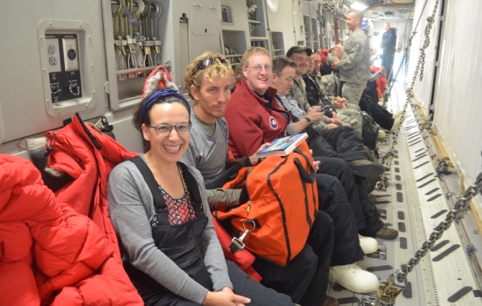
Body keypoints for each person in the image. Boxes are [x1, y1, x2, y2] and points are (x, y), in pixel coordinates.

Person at [225, 46, 395, 294]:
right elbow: (257, 158)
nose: (263, 72)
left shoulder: (266, 97)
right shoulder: (241, 105)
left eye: (266, 67)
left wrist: (301, 156)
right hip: (269, 178)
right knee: (332, 185)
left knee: (338, 167)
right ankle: (343, 262)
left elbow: (285, 132)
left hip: (288, 162)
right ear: (244, 72)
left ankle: (352, 234)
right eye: (257, 68)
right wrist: (300, 161)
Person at [107, 88, 295, 305]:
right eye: (163, 128)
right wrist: (206, 298)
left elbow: (207, 233)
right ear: (146, 131)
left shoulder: (191, 175)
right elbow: (143, 253)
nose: (174, 137)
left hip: (201, 267)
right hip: (160, 288)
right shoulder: (127, 177)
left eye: (182, 127)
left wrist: (223, 286)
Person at [180, 51, 338, 306]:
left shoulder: (219, 122)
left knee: (322, 223)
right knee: (303, 260)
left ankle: (315, 298)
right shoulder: (184, 133)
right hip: (214, 213)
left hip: (229, 193)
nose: (222, 99)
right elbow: (189, 196)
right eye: (212, 91)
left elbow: (223, 167)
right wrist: (242, 195)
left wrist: (248, 163)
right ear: (195, 92)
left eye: (227, 90)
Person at [331, 11, 370, 106]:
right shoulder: (356, 36)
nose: (347, 21)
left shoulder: (359, 38)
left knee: (349, 107)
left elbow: (353, 60)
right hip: (352, 78)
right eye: (346, 19)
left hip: (354, 80)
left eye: (349, 19)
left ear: (357, 21)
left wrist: (338, 64)